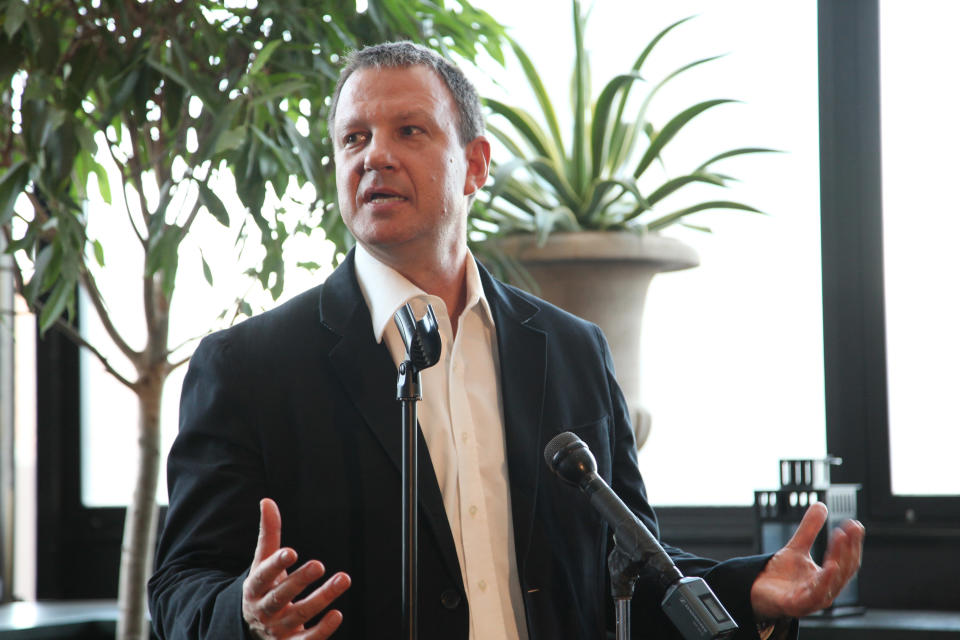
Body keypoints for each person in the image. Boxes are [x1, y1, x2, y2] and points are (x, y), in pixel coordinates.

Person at [147, 42, 864, 640]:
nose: (375, 157)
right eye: (354, 138)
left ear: (477, 164)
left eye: (410, 131)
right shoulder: (248, 368)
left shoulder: (572, 350)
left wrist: (751, 592)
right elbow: (179, 590)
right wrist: (243, 613)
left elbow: (630, 572)